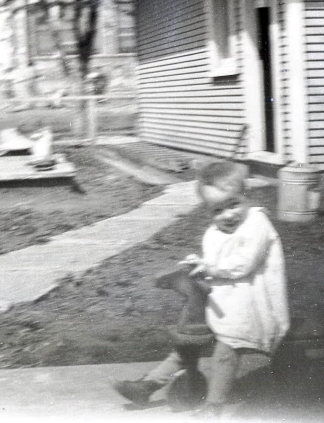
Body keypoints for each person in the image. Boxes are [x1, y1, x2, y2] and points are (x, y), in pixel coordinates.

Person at [113, 161, 290, 416]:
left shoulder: (257, 224)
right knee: (190, 339)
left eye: (233, 204)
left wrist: (211, 269)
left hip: (253, 303)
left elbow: (242, 264)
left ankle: (214, 406)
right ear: (208, 210)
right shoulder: (214, 232)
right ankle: (148, 384)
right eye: (217, 210)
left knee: (225, 351)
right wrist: (198, 265)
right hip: (224, 302)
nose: (227, 215)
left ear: (246, 196)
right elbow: (214, 265)